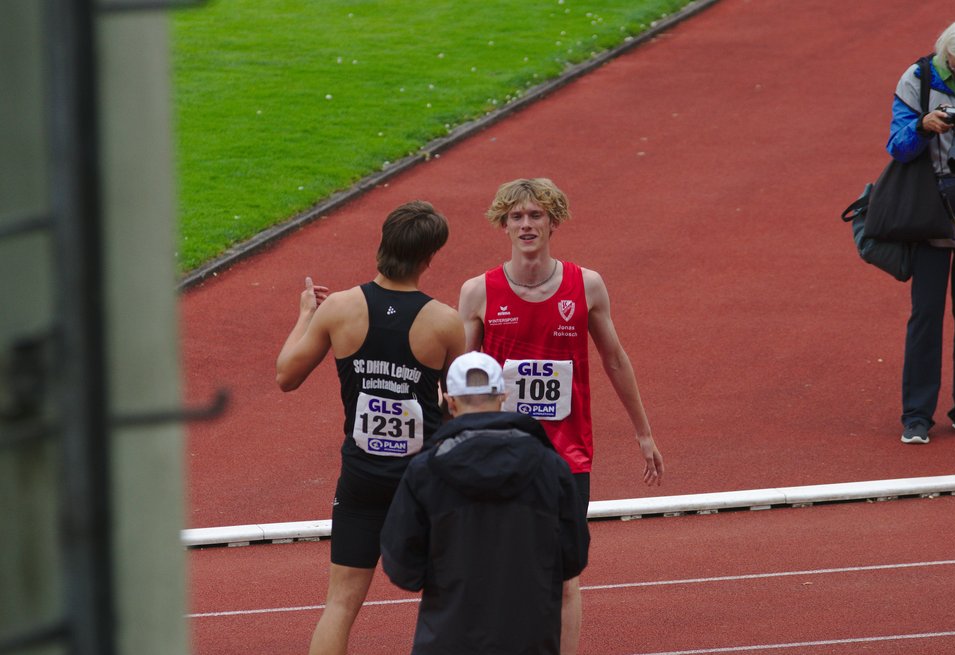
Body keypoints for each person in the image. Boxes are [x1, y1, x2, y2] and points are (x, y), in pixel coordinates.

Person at [457, 177, 664, 654]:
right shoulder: (477, 292)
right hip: (500, 456)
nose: (526, 225)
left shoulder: (585, 285)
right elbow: (459, 378)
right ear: (504, 225)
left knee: (565, 577)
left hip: (568, 458)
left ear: (553, 222)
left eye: (536, 216)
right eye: (516, 217)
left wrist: (643, 433)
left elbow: (615, 360)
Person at [276, 200, 466, 655]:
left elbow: (286, 376)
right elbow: (465, 407)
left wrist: (306, 314)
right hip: (423, 482)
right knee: (449, 598)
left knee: (340, 604)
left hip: (361, 476)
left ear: (382, 244)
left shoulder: (339, 308)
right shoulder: (444, 322)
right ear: (429, 257)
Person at [380, 351, 590, 655]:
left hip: (447, 641)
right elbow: (573, 557)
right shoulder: (551, 466)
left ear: (451, 403)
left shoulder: (424, 472)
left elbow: (403, 569)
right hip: (529, 641)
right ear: (503, 397)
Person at [888, 12, 955, 444]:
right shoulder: (917, 79)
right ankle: (916, 416)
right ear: (945, 51)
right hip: (929, 209)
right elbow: (897, 148)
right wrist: (921, 126)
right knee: (925, 315)